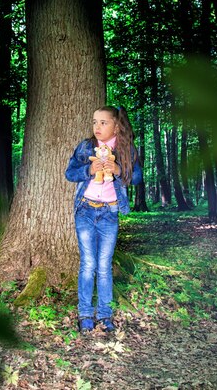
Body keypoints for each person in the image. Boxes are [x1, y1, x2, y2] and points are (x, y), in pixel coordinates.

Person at [65, 105, 142, 333]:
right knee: (88, 264)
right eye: (94, 122)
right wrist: (88, 170)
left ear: (116, 127)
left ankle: (105, 315)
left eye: (103, 122)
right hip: (86, 211)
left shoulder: (126, 149)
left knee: (104, 266)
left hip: (109, 213)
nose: (97, 127)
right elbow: (70, 173)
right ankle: (85, 313)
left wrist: (118, 169)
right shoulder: (86, 147)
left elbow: (136, 177)